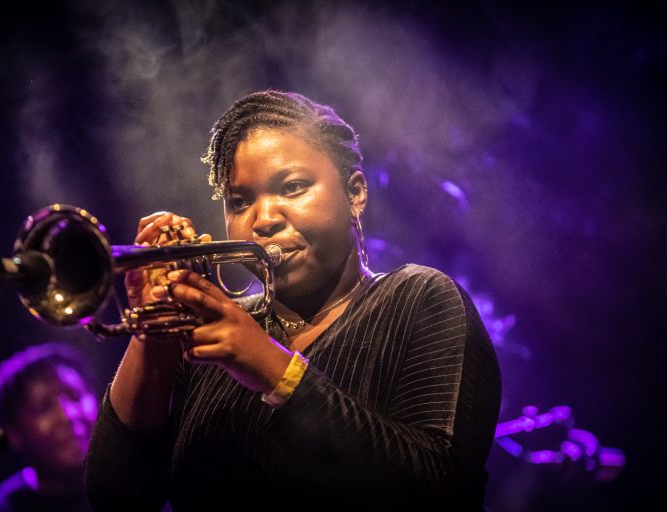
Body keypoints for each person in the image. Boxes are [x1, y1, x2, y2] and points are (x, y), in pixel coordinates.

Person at [85, 90, 502, 510]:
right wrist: (153, 336)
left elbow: (443, 488)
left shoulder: (419, 298)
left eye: (292, 187)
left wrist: (273, 370)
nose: (264, 219)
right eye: (240, 202)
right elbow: (115, 499)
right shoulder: (212, 336)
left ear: (355, 193)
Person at [0, 343, 98, 512]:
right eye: (45, 407)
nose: (68, 415)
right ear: (14, 434)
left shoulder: (134, 485)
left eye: (75, 396)